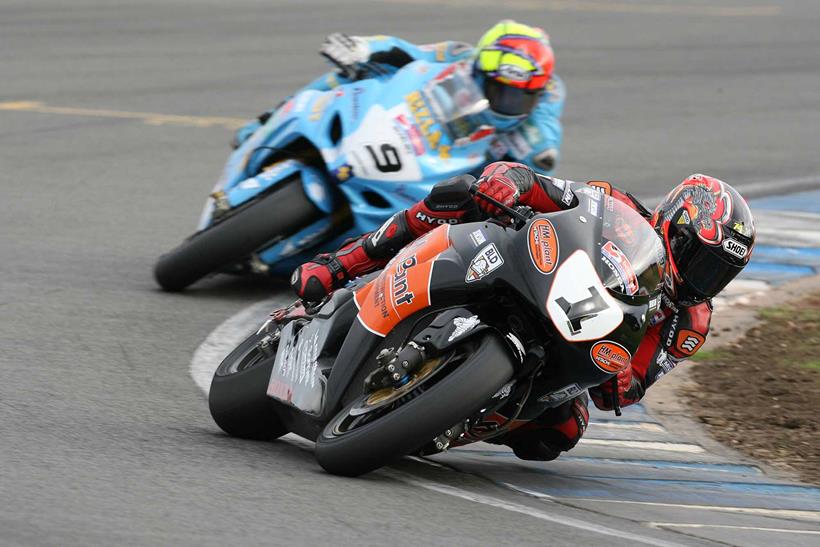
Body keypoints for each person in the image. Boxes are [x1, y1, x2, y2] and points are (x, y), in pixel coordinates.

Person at [289, 161, 756, 461]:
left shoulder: (688, 324)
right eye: (699, 258)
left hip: (574, 341)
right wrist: (509, 183)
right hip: (530, 272)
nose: (703, 279)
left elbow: (630, 387)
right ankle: (340, 266)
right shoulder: (614, 206)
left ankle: (452, 412)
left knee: (563, 431)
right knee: (457, 197)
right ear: (674, 225)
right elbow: (542, 187)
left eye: (719, 273)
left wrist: (618, 378)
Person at [233, 20, 566, 174]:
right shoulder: (458, 55)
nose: (507, 100)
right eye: (499, 90)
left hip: (469, 160)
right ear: (480, 69)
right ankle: (267, 122)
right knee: (349, 74)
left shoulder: (546, 96)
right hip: (416, 129)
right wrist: (363, 47)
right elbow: (405, 51)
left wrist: (540, 157)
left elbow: (545, 138)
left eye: (516, 96)